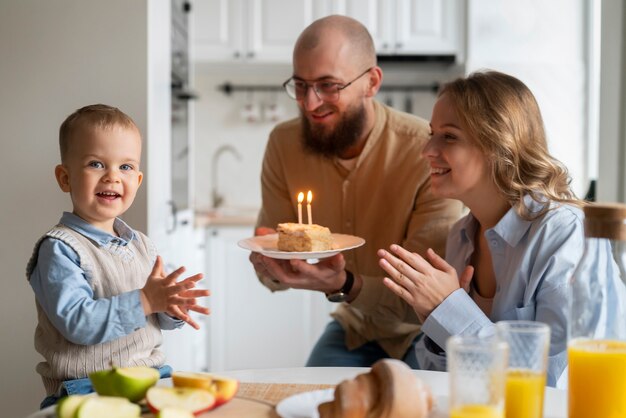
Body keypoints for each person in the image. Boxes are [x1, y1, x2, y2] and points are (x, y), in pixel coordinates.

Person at [377, 70, 619, 387]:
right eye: (431, 133)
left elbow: (558, 382)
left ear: (499, 144)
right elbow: (452, 381)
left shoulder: (565, 235)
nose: (427, 151)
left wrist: (451, 310)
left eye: (448, 136)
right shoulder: (460, 238)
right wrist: (437, 321)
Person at [249, 15, 463, 368]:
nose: (310, 102)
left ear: (371, 82)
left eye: (328, 85)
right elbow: (271, 257)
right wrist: (273, 268)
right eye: (300, 85)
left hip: (426, 331)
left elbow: (421, 297)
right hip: (355, 326)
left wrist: (346, 283)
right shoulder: (283, 144)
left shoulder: (427, 152)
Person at [27, 104, 210, 408]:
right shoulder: (59, 248)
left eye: (125, 167)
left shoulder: (142, 245)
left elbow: (153, 318)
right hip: (87, 391)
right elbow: (78, 323)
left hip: (153, 377)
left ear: (137, 181)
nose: (112, 177)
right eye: (96, 164)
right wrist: (147, 300)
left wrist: (169, 307)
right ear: (65, 178)